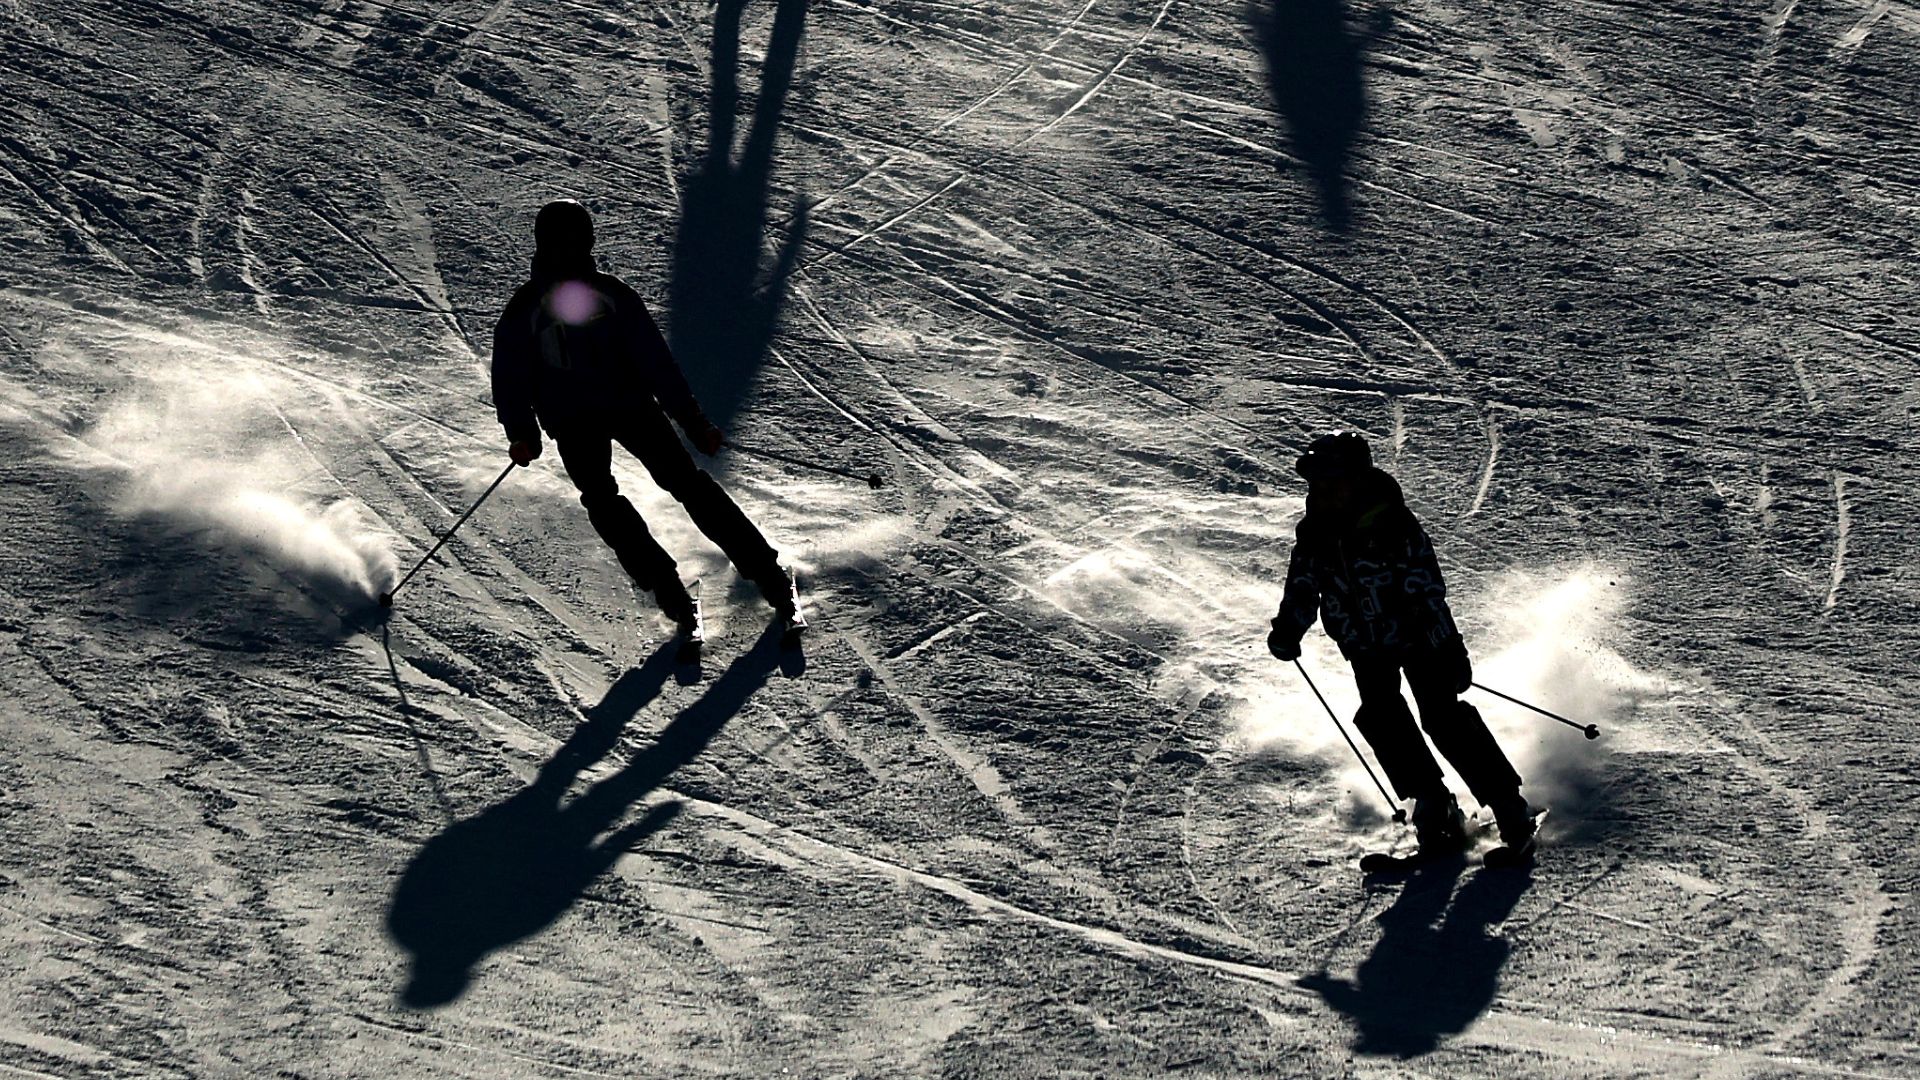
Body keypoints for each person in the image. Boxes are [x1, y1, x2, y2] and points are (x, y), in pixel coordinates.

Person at [490, 199, 798, 639]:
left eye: (576, 244)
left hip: (630, 407)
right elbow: (510, 376)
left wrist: (693, 421)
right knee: (603, 500)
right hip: (574, 421)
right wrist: (521, 432)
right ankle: (669, 590)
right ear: (545, 246)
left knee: (686, 484)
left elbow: (655, 362)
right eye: (562, 245)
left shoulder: (611, 295)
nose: (569, 252)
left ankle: (767, 573)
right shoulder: (526, 309)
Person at [1266, 431, 1533, 855]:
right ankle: (1433, 799)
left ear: (1356, 480)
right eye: (1316, 484)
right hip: (1363, 646)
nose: (1322, 492)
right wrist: (1287, 630)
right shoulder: (1314, 534)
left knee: (1443, 718)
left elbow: (1428, 591)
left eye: (1331, 483)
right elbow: (1303, 587)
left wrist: (1451, 649)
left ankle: (1507, 805)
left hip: (1420, 642)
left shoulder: (1393, 526)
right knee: (1381, 716)